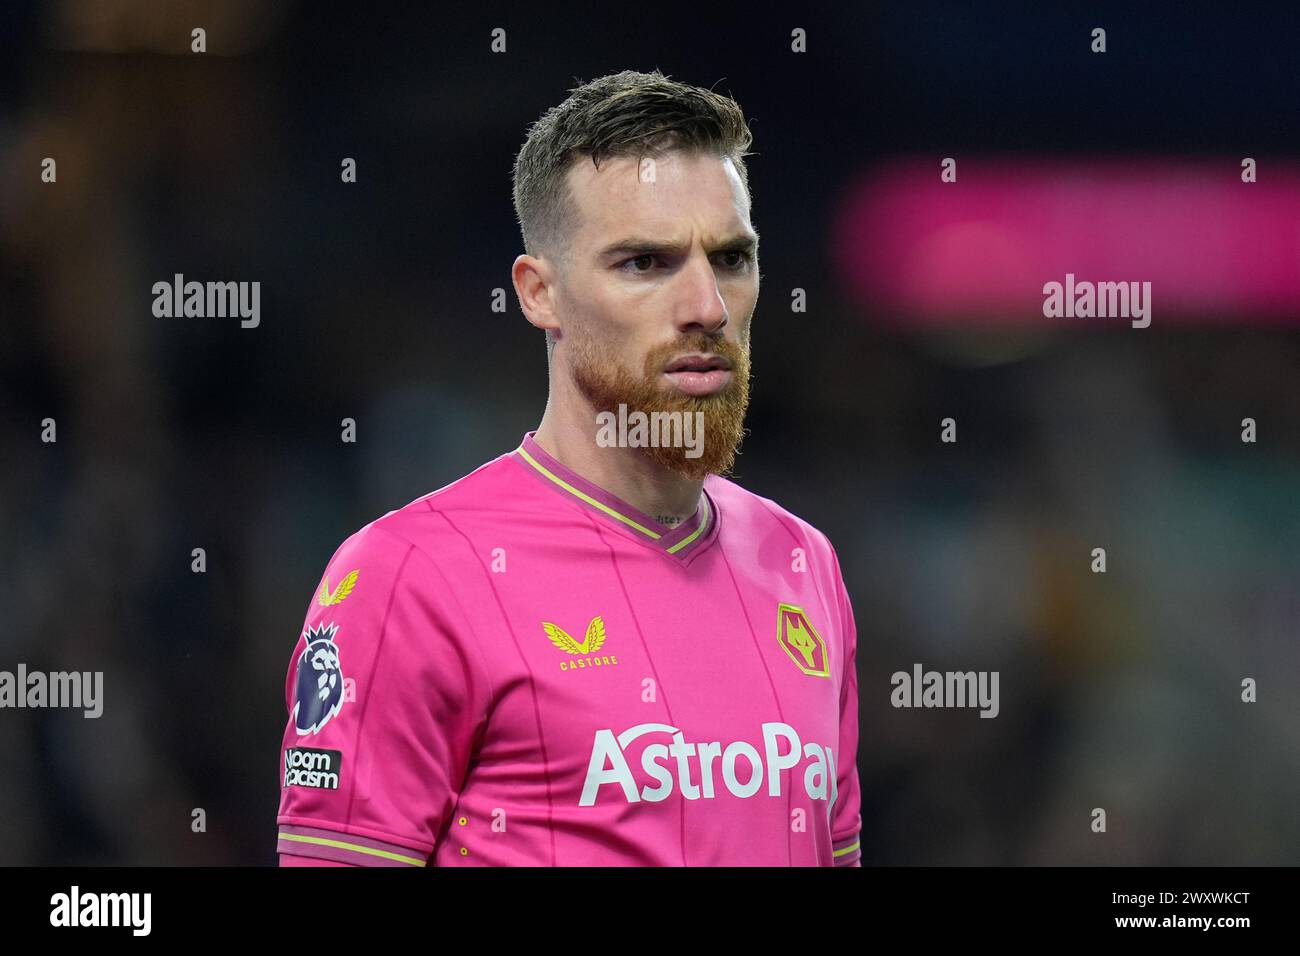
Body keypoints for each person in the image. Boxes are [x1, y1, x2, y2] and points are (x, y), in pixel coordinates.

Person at [276, 69, 860, 866]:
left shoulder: (804, 565)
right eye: (645, 263)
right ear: (539, 293)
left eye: (729, 258)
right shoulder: (408, 577)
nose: (707, 306)